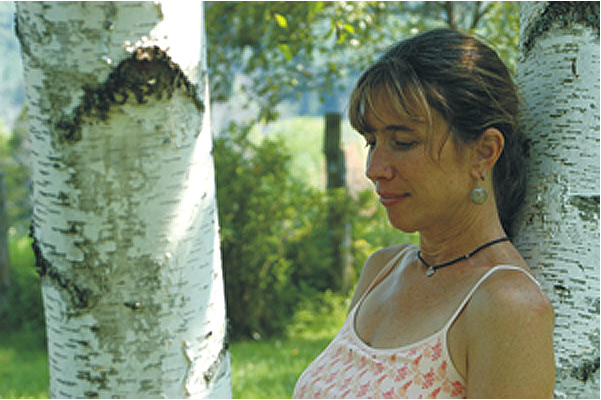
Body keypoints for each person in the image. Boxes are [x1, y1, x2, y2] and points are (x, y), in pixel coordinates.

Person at [293, 29, 555, 399]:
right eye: (371, 143)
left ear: (484, 152)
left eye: (403, 143)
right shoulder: (382, 270)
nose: (374, 169)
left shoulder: (507, 306)